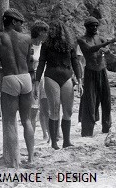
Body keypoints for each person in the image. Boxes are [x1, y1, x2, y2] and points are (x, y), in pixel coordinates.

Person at [0, 8, 35, 168]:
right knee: (27, 120)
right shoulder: (27, 38)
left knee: (9, 122)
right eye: (20, 22)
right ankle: (30, 158)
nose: (22, 25)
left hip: (9, 78)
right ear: (13, 22)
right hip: (25, 78)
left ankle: (14, 162)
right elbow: (29, 62)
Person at [36, 21, 81, 149]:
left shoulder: (69, 45)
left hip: (66, 76)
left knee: (68, 111)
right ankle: (54, 142)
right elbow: (41, 63)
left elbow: (75, 62)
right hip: (51, 76)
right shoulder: (46, 45)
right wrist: (36, 82)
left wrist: (79, 80)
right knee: (54, 109)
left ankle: (66, 141)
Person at [77, 17, 116, 137]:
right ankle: (87, 131)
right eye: (92, 26)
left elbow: (106, 51)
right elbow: (89, 50)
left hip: (101, 70)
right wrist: (105, 44)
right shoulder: (81, 39)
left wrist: (107, 49)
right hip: (90, 71)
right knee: (89, 100)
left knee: (106, 99)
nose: (94, 28)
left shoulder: (100, 38)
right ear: (86, 27)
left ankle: (106, 127)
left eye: (96, 26)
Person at [29, 20, 50, 141]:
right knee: (33, 109)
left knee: (45, 108)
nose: (47, 34)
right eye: (45, 31)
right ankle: (31, 136)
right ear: (39, 32)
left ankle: (46, 134)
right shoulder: (28, 45)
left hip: (44, 78)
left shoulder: (44, 46)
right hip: (33, 78)